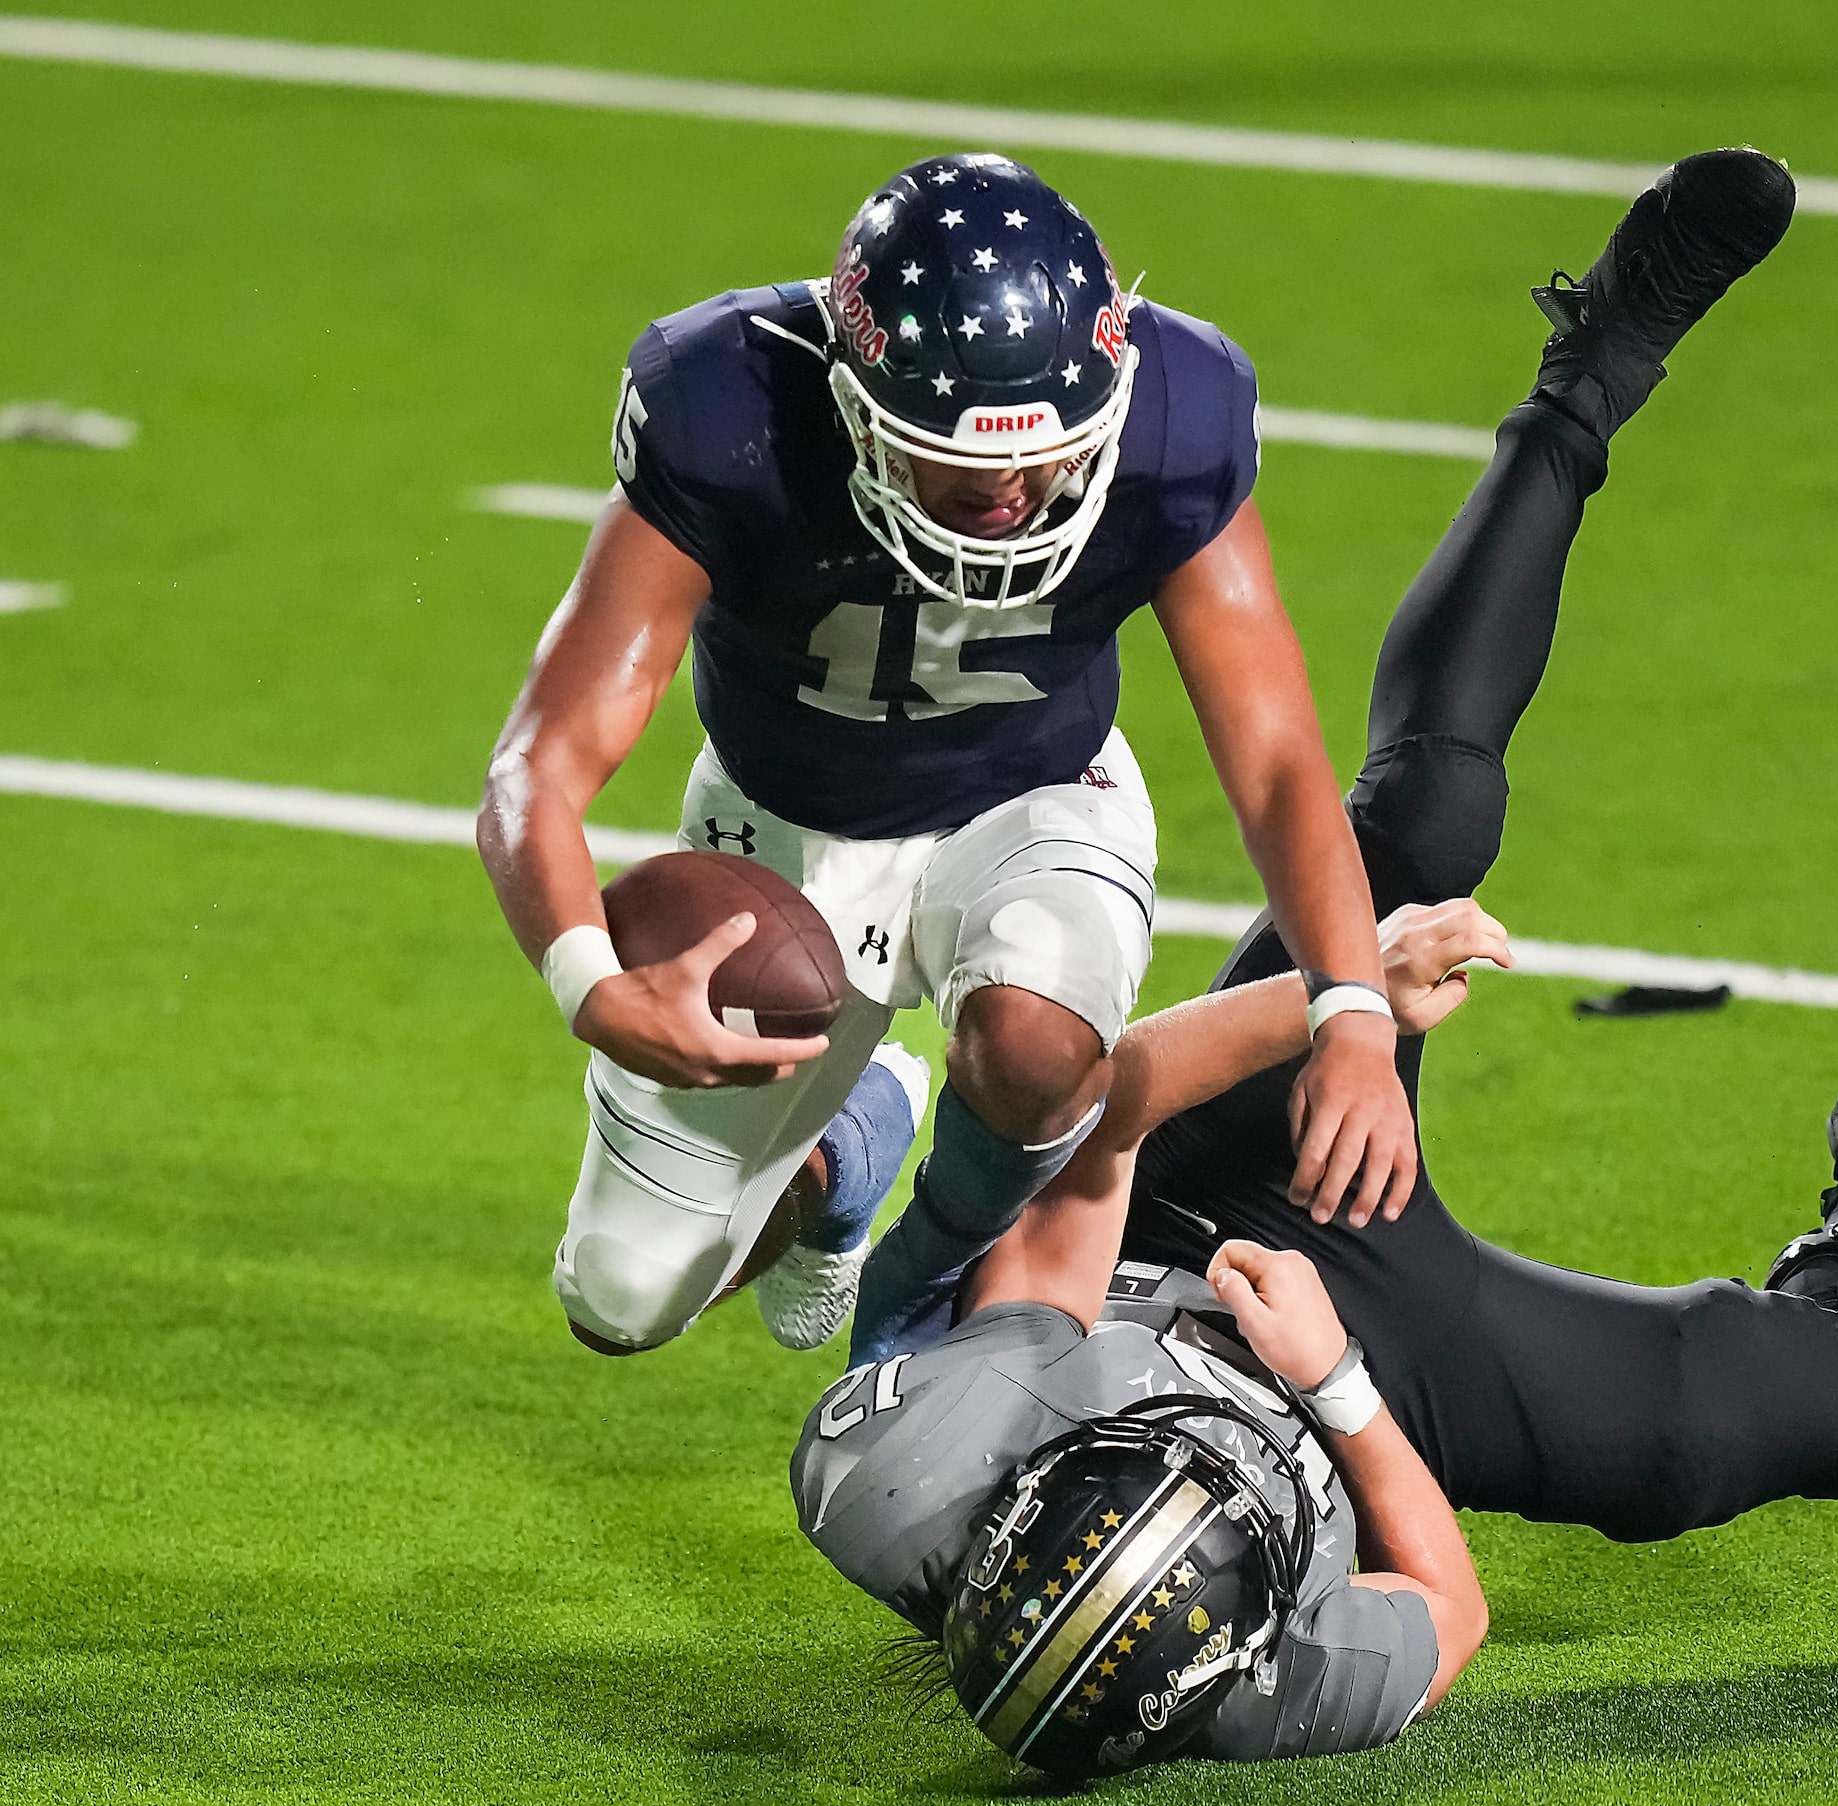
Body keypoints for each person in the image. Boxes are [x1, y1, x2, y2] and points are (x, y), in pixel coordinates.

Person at [788, 148, 1838, 1776]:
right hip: (1362, 1357)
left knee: (1429, 810)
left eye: (1143, 1450)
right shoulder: (1271, 1687)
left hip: (1180, 1203)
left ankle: (1592, 363)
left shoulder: (930, 1463)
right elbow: (1444, 1602)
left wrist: (1346, 992)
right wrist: (1332, 1391)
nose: (1189, 1441)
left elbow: (1097, 1120)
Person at [475, 153, 1415, 1359]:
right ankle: (842, 1160)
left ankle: (921, 1296)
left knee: (1034, 1041)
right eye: (962, 463)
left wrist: (1353, 1016)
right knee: (622, 1300)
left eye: (1043, 454)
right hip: (786, 827)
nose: (1013, 495)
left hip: (1034, 795)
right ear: (855, 403)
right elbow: (537, 764)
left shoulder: (1174, 418)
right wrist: (592, 985)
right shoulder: (732, 412)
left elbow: (1279, 756)